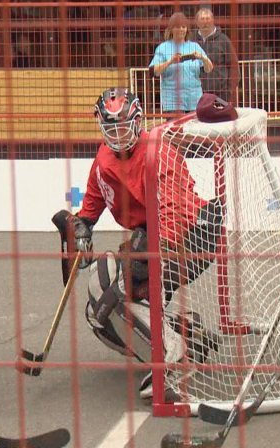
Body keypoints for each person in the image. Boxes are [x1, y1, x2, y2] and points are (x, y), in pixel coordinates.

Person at [64, 88, 225, 400]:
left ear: (138, 121)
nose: (118, 135)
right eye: (111, 129)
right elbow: (90, 208)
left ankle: (171, 359)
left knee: (120, 290)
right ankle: (189, 336)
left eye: (124, 126)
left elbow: (173, 211)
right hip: (151, 232)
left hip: (194, 232)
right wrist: (81, 232)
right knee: (98, 312)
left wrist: (149, 254)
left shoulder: (158, 148)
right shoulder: (103, 160)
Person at [149, 12, 214, 118]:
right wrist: (170, 61)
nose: (181, 30)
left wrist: (203, 58)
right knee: (176, 133)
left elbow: (209, 68)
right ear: (171, 29)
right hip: (173, 102)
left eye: (184, 27)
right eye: (177, 27)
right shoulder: (163, 47)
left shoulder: (195, 46)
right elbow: (154, 71)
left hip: (195, 100)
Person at [194, 7, 240, 103]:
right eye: (202, 19)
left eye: (208, 19)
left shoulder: (224, 40)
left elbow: (234, 66)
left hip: (221, 94)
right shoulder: (191, 40)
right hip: (196, 93)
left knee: (221, 117)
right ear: (197, 22)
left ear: (213, 21)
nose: (205, 22)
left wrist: (229, 90)